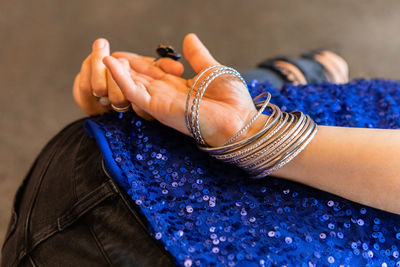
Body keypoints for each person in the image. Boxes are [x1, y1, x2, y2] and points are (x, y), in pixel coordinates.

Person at [2, 33, 400, 266]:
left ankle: (290, 76)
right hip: (124, 159)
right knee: (323, 68)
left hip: (106, 170)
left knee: (320, 69)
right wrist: (247, 129)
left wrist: (251, 130)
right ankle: (293, 78)